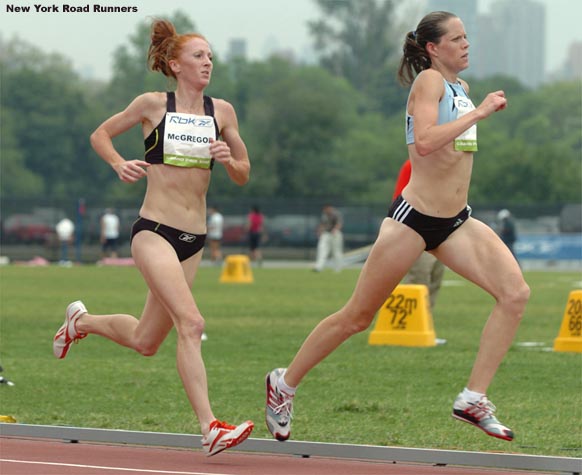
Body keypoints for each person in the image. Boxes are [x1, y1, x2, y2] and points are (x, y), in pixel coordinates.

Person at [265, 11, 529, 444]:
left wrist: (474, 109)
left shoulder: (461, 89)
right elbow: (423, 143)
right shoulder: (429, 82)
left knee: (515, 293)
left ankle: (473, 398)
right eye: (457, 38)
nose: (466, 45)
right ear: (433, 48)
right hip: (414, 220)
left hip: (456, 221)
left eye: (468, 37)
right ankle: (284, 383)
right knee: (357, 317)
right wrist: (480, 114)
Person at [53, 19, 254, 456]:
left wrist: (228, 158)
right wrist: (116, 163)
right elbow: (100, 134)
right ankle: (210, 428)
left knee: (146, 341)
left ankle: (80, 322)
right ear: (174, 63)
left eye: (211, 57)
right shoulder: (151, 105)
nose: (208, 63)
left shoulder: (221, 112)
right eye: (199, 56)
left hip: (193, 239)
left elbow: (243, 173)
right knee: (192, 323)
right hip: (155, 231)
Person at [393, 159, 445, 309]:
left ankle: (425, 325)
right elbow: (401, 199)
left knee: (435, 279)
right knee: (419, 280)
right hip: (417, 230)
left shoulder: (445, 165)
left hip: (440, 230)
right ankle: (411, 326)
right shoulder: (415, 164)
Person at [313, 204, 343, 273]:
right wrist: (319, 231)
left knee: (336, 252)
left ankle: (338, 268)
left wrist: (335, 229)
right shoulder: (325, 215)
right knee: (322, 250)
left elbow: (339, 223)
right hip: (326, 234)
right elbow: (322, 224)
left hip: (335, 234)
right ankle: (319, 267)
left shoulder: (336, 214)